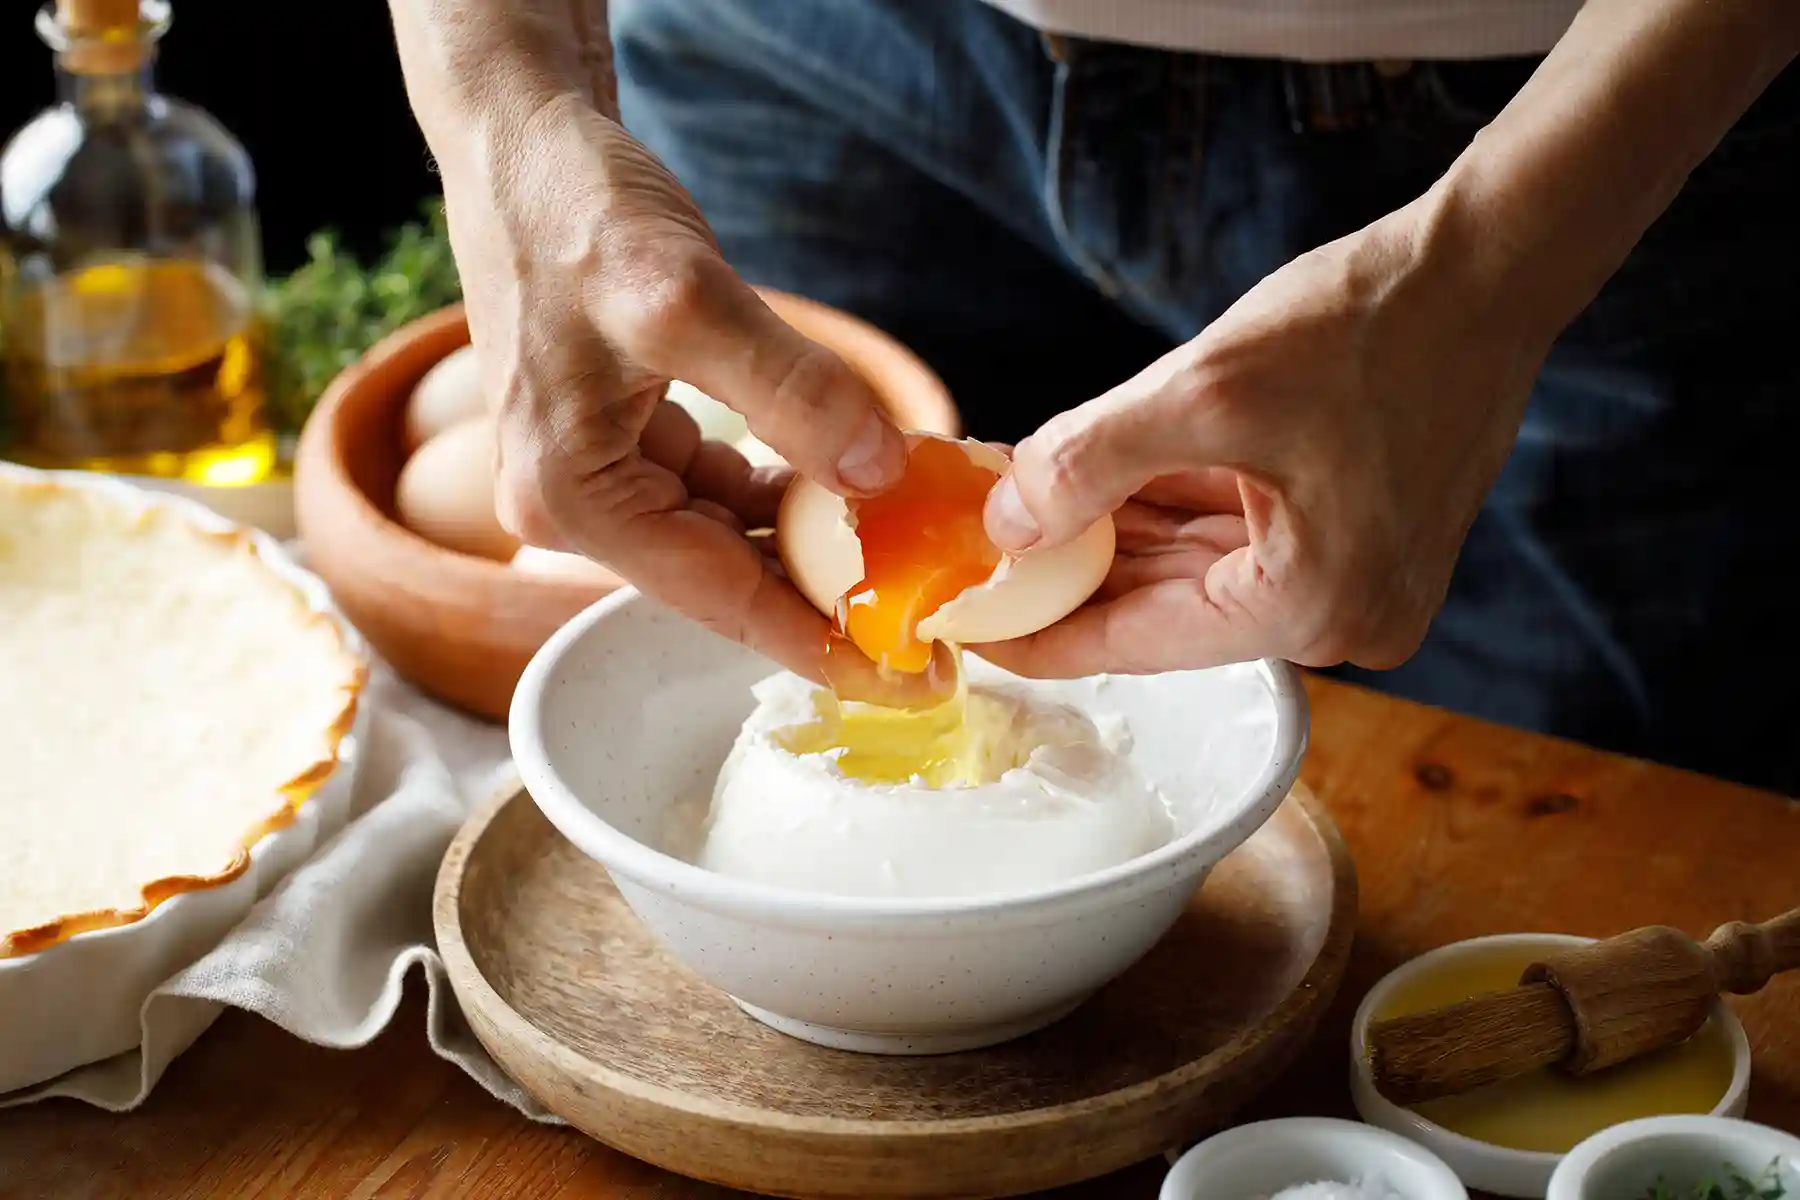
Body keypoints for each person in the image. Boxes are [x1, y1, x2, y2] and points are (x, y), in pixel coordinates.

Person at [385, 0, 1800, 794]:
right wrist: (506, 100)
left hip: (1573, 111)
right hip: (801, 49)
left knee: (1550, 833)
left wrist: (1492, 270)